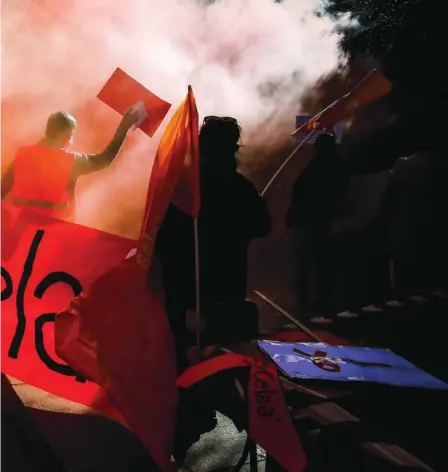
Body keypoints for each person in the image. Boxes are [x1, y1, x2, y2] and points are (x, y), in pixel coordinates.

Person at [154, 115, 272, 464]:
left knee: (183, 364)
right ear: (231, 149)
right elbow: (262, 226)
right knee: (225, 363)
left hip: (185, 292)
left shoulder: (183, 189)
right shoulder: (239, 187)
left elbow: (161, 240)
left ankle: (184, 432)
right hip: (226, 290)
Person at [1, 109, 139, 219]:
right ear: (66, 136)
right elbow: (105, 159)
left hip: (20, 224)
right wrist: (124, 127)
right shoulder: (71, 161)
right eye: (72, 134)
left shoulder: (23, 153)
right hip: (54, 231)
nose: (72, 139)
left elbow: (3, 187)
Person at [285, 133, 348, 316]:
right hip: (317, 220)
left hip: (319, 220)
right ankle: (315, 300)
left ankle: (314, 301)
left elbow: (300, 194)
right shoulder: (334, 168)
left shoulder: (324, 169)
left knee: (315, 262)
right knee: (317, 262)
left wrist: (292, 215)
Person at [383, 148, 448, 297]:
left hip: (405, 236)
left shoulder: (404, 167)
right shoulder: (437, 167)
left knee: (405, 295)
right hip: (437, 241)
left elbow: (387, 205)